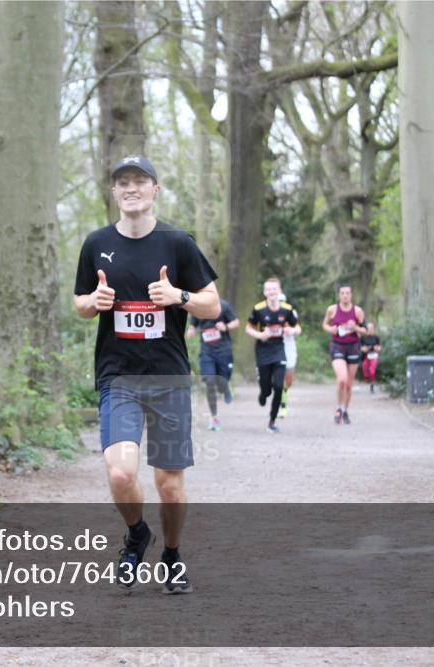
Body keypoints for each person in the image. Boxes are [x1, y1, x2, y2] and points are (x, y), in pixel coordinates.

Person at [74, 155, 220, 595]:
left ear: (155, 189)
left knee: (169, 485)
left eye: (140, 181)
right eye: (123, 182)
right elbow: (79, 303)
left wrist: (179, 295)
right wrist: (94, 301)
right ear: (114, 192)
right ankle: (138, 533)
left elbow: (211, 304)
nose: (132, 188)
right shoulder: (96, 243)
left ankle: (172, 555)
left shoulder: (178, 243)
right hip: (118, 376)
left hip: (169, 376)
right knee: (120, 473)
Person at [246, 277, 300, 433]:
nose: (271, 292)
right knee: (267, 388)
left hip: (279, 349)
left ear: (279, 291)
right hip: (263, 350)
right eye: (268, 289)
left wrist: (292, 330)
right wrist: (259, 335)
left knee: (278, 386)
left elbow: (297, 328)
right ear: (265, 292)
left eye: (274, 289)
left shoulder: (287, 309)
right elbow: (248, 328)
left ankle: (272, 421)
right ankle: (263, 393)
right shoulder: (258, 309)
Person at [186, 299, 240, 430]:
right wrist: (191, 331)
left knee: (222, 382)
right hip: (207, 351)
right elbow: (193, 325)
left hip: (223, 351)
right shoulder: (197, 307)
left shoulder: (224, 305)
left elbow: (236, 322)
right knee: (209, 381)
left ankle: (225, 389)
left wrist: (226, 327)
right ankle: (214, 418)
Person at [322, 284, 367, 424]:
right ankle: (338, 407)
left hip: (353, 347)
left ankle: (345, 410)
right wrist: (332, 330)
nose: (345, 295)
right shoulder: (332, 310)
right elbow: (325, 325)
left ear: (351, 294)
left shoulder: (358, 311)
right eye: (342, 293)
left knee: (348, 384)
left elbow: (365, 330)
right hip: (337, 346)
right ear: (339, 295)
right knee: (342, 378)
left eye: (348, 293)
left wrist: (356, 328)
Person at [278, 291, 296, 419]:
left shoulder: (291, 313)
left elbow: (297, 328)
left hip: (289, 348)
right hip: (274, 348)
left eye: (281, 301)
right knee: (277, 380)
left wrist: (291, 329)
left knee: (288, 381)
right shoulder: (266, 313)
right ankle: (282, 405)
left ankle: (284, 396)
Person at [360, 322, 382, 393]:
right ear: (366, 329)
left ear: (373, 329)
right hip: (366, 356)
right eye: (369, 328)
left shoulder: (376, 337)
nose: (370, 329)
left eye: (371, 328)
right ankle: (368, 378)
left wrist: (376, 348)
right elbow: (361, 348)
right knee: (366, 373)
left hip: (374, 355)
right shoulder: (363, 338)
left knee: (372, 371)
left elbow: (379, 347)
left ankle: (372, 385)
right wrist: (365, 348)